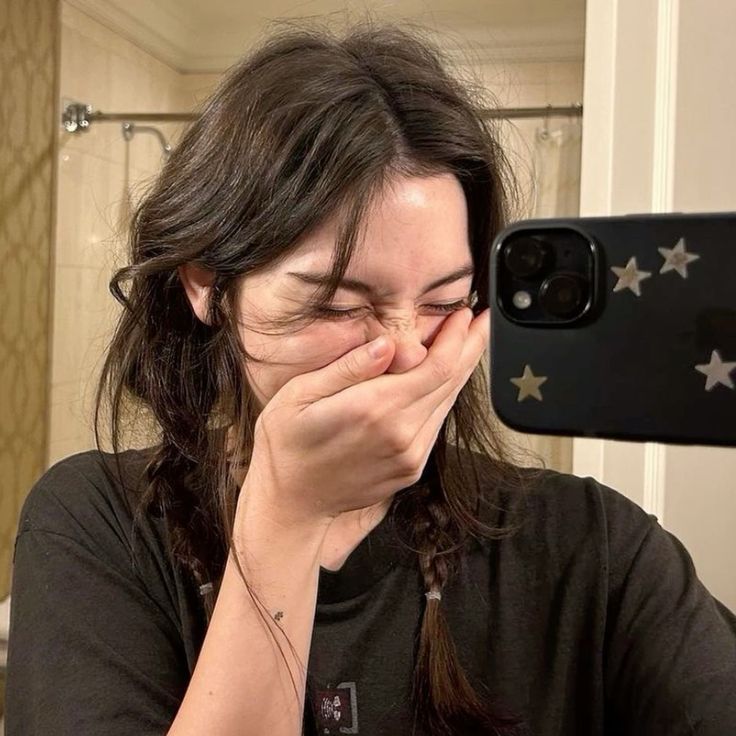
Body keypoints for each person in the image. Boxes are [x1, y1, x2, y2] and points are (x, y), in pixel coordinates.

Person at [5, 20, 736, 736]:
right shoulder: (93, 526)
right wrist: (288, 515)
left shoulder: (592, 546)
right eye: (337, 305)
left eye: (444, 303)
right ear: (206, 286)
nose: (407, 354)